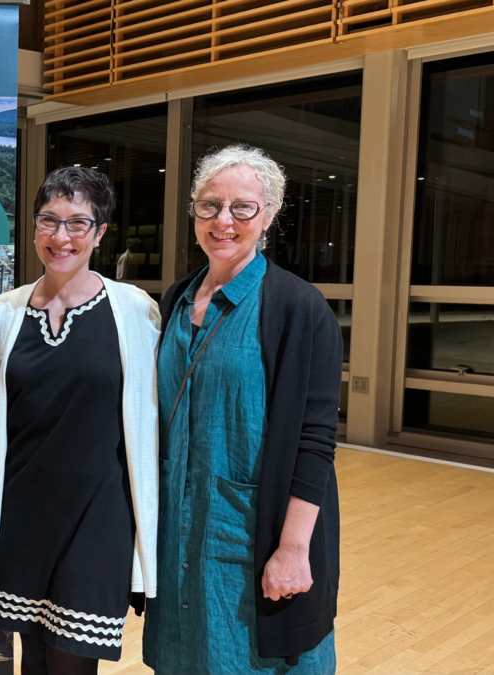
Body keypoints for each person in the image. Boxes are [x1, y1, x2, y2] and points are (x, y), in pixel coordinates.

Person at [142, 144, 342, 674]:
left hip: (255, 533)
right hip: (179, 531)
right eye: (209, 206)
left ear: (269, 215)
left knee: (254, 656)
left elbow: (316, 440)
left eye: (242, 208)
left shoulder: (298, 308)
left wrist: (294, 548)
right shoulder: (177, 300)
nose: (223, 221)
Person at [0, 167, 160, 675]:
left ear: (101, 232)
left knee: (72, 664)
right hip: (21, 516)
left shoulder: (135, 312)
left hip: (98, 519)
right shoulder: (2, 314)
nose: (62, 237)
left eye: (79, 223)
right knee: (30, 657)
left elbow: (149, 421)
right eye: (49, 221)